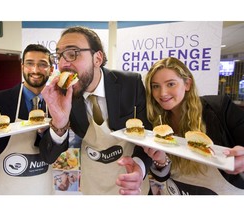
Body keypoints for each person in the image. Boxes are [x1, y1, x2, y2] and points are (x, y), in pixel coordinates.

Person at [39, 26, 170, 195]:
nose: (63, 63)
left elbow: (147, 135)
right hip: (93, 183)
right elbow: (48, 157)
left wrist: (140, 167)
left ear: (97, 58)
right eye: (59, 56)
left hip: (132, 184)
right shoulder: (61, 95)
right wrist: (59, 122)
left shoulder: (131, 84)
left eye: (72, 53)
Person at [0, 44, 66, 194]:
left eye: (42, 64)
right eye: (29, 63)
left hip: (41, 189)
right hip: (4, 190)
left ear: (51, 69)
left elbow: (56, 151)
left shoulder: (60, 105)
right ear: (22, 66)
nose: (35, 70)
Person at [143, 57, 244, 195]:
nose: (162, 93)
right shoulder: (155, 121)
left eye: (171, 84)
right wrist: (161, 161)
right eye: (156, 86)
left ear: (187, 84)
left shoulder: (219, 108)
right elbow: (161, 176)